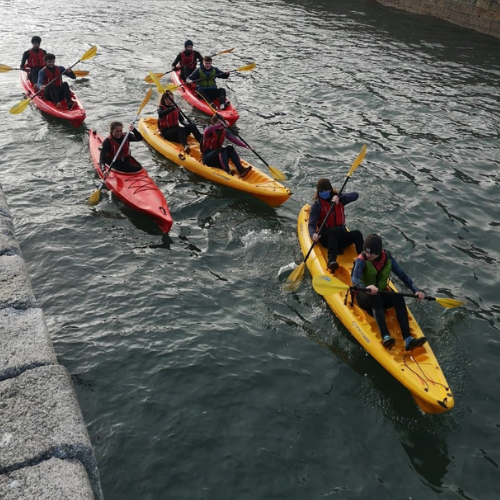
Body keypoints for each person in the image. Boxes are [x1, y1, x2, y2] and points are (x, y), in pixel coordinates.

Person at [351, 233, 428, 351]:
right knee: (375, 297)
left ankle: (408, 338)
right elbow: (355, 279)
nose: (368, 255)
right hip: (363, 296)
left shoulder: (387, 258)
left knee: (398, 297)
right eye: (366, 252)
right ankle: (385, 336)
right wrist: (366, 288)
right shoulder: (362, 259)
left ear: (379, 251)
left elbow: (403, 276)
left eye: (371, 253)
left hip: (380, 293)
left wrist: (416, 291)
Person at [308, 178, 363, 273]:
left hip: (340, 235)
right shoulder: (317, 205)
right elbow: (311, 224)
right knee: (333, 231)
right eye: (320, 191)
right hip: (326, 237)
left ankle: (363, 259)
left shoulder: (339, 198)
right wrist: (313, 234)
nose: (323, 193)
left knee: (357, 234)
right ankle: (331, 261)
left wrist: (340, 199)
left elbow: (355, 195)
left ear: (330, 190)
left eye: (325, 190)